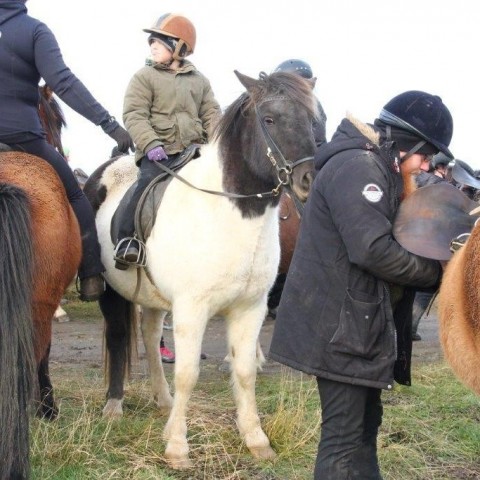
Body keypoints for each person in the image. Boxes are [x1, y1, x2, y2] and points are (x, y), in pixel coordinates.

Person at [269, 90, 453, 479]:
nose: (424, 165)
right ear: (406, 143)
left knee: (365, 430)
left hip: (355, 325)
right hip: (341, 328)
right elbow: (372, 251)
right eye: (425, 154)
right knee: (341, 440)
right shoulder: (359, 167)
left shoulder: (377, 166)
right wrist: (438, 274)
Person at [0, 0, 134, 301]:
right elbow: (63, 82)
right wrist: (109, 124)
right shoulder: (34, 31)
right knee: (75, 194)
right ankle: (90, 274)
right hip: (23, 136)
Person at [114, 13, 221, 268]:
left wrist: (218, 143)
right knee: (144, 187)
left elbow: (212, 114)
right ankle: (127, 241)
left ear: (180, 47)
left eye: (160, 42)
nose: (152, 45)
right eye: (152, 41)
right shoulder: (144, 76)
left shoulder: (200, 80)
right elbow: (134, 114)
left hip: (194, 150)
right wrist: (150, 144)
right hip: (160, 152)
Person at [267, 59, 328, 318]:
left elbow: (319, 140)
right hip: (276, 166)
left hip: (302, 168)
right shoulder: (272, 105)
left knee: (316, 223)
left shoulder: (315, 106)